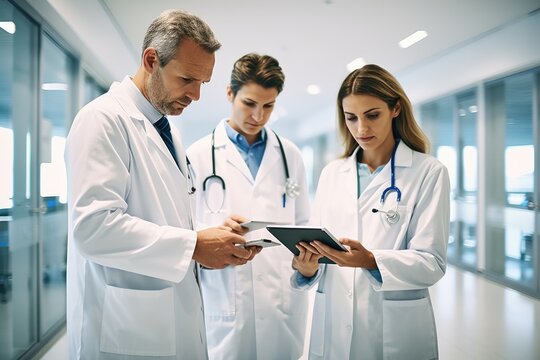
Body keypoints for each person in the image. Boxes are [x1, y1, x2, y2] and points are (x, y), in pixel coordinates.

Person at [65, 10, 258, 359]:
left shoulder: (166, 128)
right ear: (151, 60)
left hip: (169, 316)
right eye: (187, 79)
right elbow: (92, 229)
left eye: (203, 82)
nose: (197, 94)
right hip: (126, 327)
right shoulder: (102, 120)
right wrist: (194, 244)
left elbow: (160, 216)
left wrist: (207, 235)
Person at [292, 64, 450, 360]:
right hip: (334, 320)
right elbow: (319, 248)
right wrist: (306, 267)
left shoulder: (428, 172)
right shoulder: (332, 173)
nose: (361, 129)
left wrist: (370, 260)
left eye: (372, 115)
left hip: (393, 326)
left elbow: (433, 262)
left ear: (395, 108)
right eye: (351, 118)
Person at [187, 53, 311, 360]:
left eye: (268, 106)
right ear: (230, 93)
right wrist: (212, 233)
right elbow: (184, 231)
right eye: (249, 103)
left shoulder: (290, 156)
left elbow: (303, 225)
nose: (258, 115)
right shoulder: (198, 155)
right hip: (223, 301)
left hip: (280, 304)